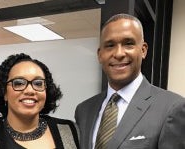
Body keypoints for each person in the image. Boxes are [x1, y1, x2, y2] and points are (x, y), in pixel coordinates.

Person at [75, 13, 185, 149]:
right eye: (110, 45)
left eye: (128, 44)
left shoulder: (171, 108)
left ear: (143, 50)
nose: (119, 53)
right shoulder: (84, 110)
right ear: (100, 55)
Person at [0, 53, 79, 149]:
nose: (30, 90)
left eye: (38, 83)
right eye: (19, 83)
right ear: (4, 92)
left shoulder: (68, 129)